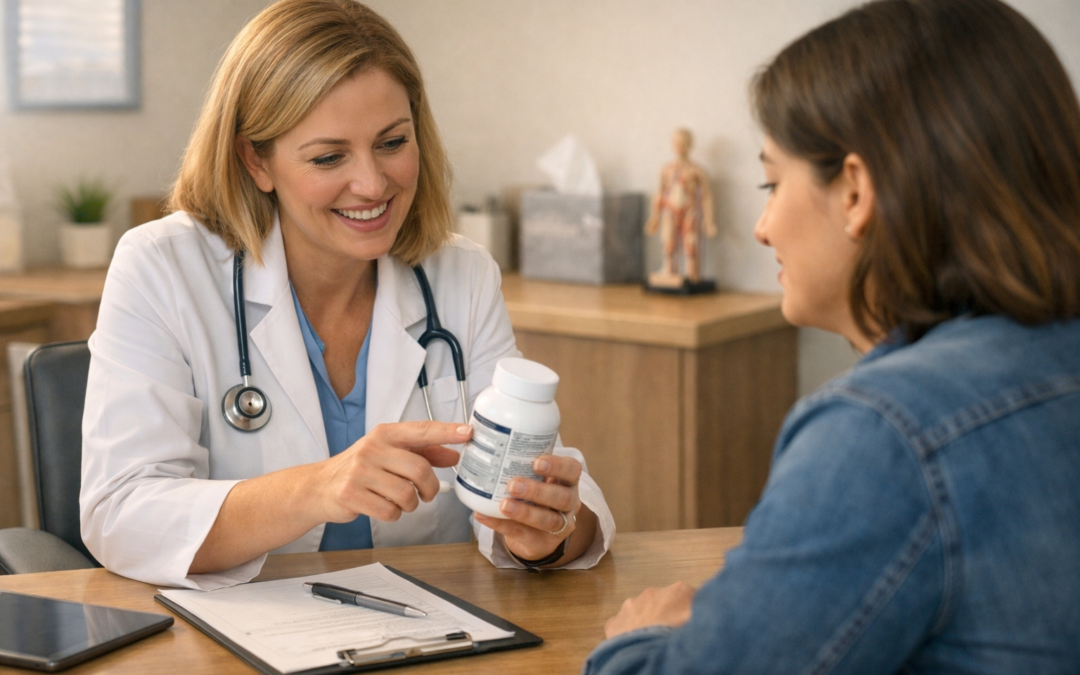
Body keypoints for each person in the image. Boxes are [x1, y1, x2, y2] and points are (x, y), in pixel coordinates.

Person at [586, 0, 1080, 672]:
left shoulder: (885, 433)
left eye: (772, 181)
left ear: (854, 192)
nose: (761, 227)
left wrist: (638, 640)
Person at [79, 0, 613, 590]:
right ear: (256, 160)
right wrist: (319, 487)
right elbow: (120, 515)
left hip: (424, 631)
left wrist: (550, 532)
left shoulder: (461, 275)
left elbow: (552, 500)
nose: (372, 184)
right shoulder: (161, 268)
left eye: (391, 142)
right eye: (330, 156)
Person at [644, 128, 717, 288]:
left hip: (689, 210)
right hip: (670, 211)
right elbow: (659, 194)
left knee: (691, 244)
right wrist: (654, 217)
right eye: (677, 143)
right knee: (668, 243)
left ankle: (692, 276)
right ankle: (670, 273)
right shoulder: (666, 170)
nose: (680, 146)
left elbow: (707, 196)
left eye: (684, 143)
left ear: (690, 145)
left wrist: (709, 220)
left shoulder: (696, 171)